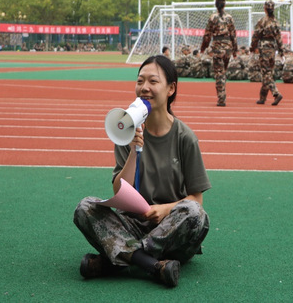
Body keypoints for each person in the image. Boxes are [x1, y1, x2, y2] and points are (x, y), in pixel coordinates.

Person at [73, 55, 211, 288]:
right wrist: (133, 151)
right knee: (85, 207)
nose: (144, 87)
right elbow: (119, 191)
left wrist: (165, 209)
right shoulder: (126, 130)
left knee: (195, 213)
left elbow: (196, 199)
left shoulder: (185, 138)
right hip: (132, 224)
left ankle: (117, 260)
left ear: (171, 89)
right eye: (140, 81)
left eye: (153, 81)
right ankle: (152, 265)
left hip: (170, 229)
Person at [200, 0, 238, 106]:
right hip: (228, 48)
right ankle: (222, 94)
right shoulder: (229, 18)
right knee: (223, 72)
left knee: (219, 74)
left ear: (216, 4)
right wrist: (235, 49)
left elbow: (207, 35)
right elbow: (233, 34)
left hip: (217, 47)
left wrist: (203, 47)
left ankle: (221, 98)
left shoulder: (213, 18)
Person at [249, 0, 284, 105]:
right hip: (272, 48)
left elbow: (256, 35)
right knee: (268, 72)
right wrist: (281, 51)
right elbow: (279, 38)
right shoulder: (276, 22)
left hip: (264, 48)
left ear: (265, 9)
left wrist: (252, 47)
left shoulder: (262, 21)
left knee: (266, 73)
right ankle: (262, 97)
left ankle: (276, 93)